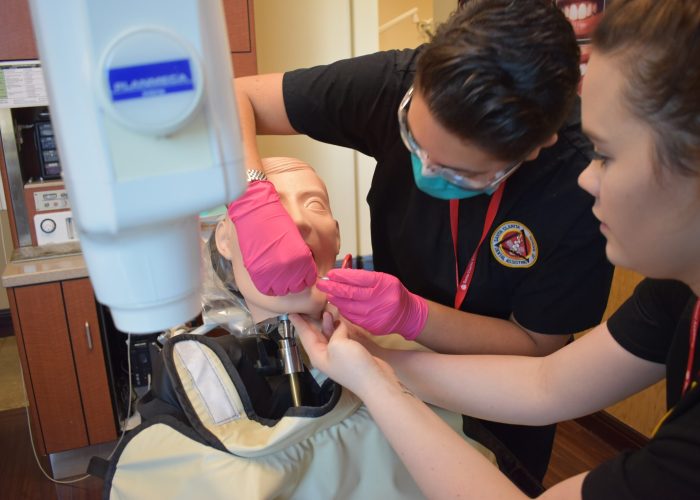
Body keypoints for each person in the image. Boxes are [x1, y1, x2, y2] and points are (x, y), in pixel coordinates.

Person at [291, 0, 700, 497]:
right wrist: (372, 361)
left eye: (607, 156)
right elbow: (547, 384)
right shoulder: (679, 294)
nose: (587, 178)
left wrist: (378, 381)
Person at [232, 0, 613, 485]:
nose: (425, 170)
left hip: (500, 400)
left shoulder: (581, 186)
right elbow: (235, 97)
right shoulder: (394, 84)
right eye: (414, 139)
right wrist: (250, 197)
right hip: (380, 362)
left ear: (535, 148)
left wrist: (414, 315)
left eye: (460, 171)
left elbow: (538, 349)